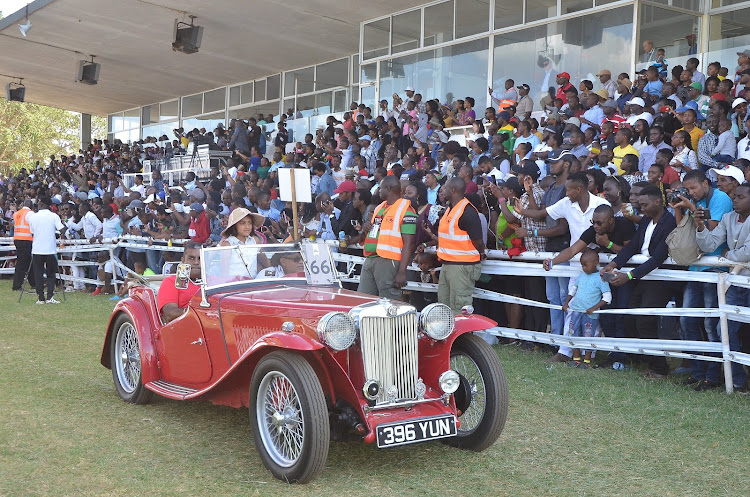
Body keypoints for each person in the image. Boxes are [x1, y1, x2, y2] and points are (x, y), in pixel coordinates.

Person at [601, 186, 677, 379]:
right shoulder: (646, 221)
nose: (641, 208)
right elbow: (634, 246)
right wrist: (613, 263)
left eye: (644, 204)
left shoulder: (670, 223)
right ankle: (647, 360)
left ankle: (660, 367)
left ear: (657, 202)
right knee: (630, 317)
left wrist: (629, 276)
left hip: (660, 279)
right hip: (643, 277)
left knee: (645, 320)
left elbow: (658, 258)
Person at [695, 183, 750, 392]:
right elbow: (709, 245)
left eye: (740, 197)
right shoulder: (727, 218)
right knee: (724, 329)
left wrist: (727, 256)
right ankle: (738, 380)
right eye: (734, 196)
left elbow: (747, 252)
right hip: (735, 283)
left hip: (744, 281)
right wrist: (701, 227)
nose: (735, 200)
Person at [357, 176, 417, 300]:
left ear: (388, 189)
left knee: (389, 304)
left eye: (381, 188)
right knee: (363, 300)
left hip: (389, 262)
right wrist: (366, 228)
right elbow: (374, 233)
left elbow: (409, 244)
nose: (378, 190)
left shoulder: (406, 210)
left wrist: (402, 271)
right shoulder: (379, 207)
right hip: (370, 258)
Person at [436, 177, 486, 313]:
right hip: (448, 264)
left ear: (452, 190)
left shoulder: (467, 211)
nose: (442, 191)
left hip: (462, 267)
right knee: (444, 307)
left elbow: (478, 241)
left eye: (445, 188)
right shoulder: (450, 209)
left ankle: (461, 335)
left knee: (459, 308)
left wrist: (481, 253)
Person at [561, 248, 612, 368]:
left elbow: (607, 297)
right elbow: (573, 289)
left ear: (595, 263)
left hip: (590, 315)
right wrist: (567, 302)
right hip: (576, 311)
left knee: (588, 337)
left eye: (586, 265)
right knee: (573, 334)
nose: (583, 267)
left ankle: (587, 362)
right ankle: (576, 359)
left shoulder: (601, 278)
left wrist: (594, 308)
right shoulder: (581, 275)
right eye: (582, 265)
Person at [27, 197, 66, 304]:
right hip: (50, 249)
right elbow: (62, 229)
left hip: (37, 250)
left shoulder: (33, 217)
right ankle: (49, 297)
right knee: (51, 274)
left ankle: (40, 298)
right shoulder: (53, 216)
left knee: (38, 274)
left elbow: (32, 232)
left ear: (41, 204)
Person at [157, 241, 202, 323]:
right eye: (191, 258)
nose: (196, 262)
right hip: (184, 326)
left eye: (200, 258)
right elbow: (170, 314)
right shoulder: (171, 281)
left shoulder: (213, 280)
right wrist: (200, 312)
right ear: (183, 260)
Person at [12, 199, 35, 291]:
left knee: (29, 261)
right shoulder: (30, 213)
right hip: (26, 239)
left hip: (17, 239)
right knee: (22, 263)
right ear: (32, 206)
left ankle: (34, 283)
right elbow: (33, 226)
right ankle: (17, 285)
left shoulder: (17, 213)